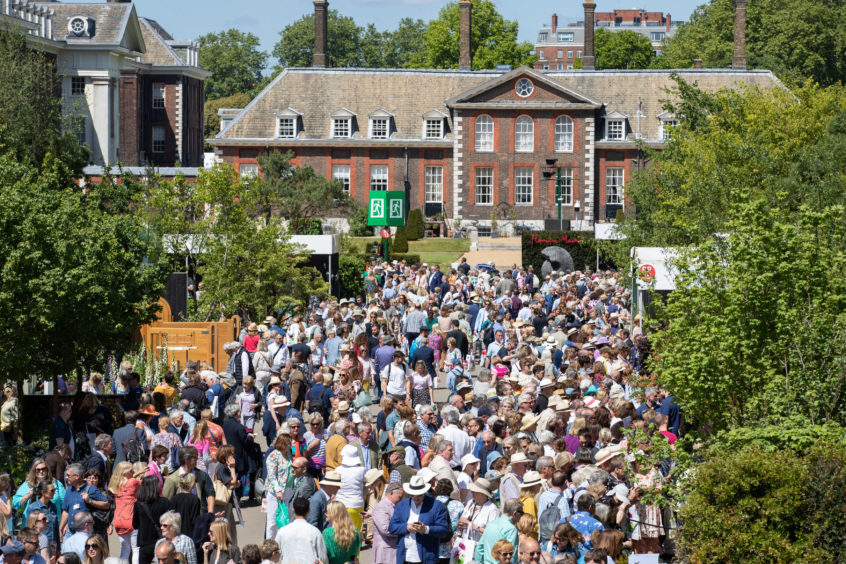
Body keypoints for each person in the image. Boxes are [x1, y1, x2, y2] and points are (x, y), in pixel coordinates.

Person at [387, 475, 450, 564]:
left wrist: (425, 529)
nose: (416, 497)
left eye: (419, 495)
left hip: (427, 557)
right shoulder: (402, 505)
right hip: (404, 557)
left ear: (424, 492)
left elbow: (443, 530)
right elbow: (392, 527)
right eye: (413, 495)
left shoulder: (437, 505)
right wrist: (406, 527)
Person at [274, 497, 327, 564]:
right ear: (308, 511)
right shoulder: (315, 532)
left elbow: (275, 554)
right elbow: (323, 558)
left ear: (293, 510)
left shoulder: (282, 532)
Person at [133, 476, 170, 564]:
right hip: (161, 540)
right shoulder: (165, 502)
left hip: (144, 542)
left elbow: (135, 525)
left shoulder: (138, 504)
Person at [15, 460, 65, 524]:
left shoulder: (56, 484)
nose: (41, 471)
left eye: (43, 469)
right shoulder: (27, 485)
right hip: (31, 525)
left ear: (47, 470)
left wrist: (63, 524)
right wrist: (28, 495)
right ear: (34, 471)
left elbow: (65, 505)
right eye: (38, 470)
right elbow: (15, 504)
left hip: (52, 525)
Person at [474, 498, 522, 564]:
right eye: (521, 513)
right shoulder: (511, 529)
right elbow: (512, 556)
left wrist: (479, 562)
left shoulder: (491, 524)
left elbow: (479, 549)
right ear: (515, 513)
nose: (521, 516)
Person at [263, 433, 293, 540]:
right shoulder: (273, 455)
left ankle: (281, 542)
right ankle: (269, 543)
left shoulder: (289, 453)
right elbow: (271, 475)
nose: (291, 444)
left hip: (288, 490)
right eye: (289, 442)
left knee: (285, 519)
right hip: (274, 492)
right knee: (272, 521)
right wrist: (278, 490)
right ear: (283, 443)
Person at [335, 445, 366, 531]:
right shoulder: (362, 469)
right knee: (356, 532)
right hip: (357, 504)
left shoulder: (338, 469)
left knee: (341, 531)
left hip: (341, 504)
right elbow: (365, 482)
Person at [433, 479, 464, 564]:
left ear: (437, 489)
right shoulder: (458, 505)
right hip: (453, 548)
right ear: (451, 490)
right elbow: (462, 526)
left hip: (434, 548)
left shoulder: (431, 504)